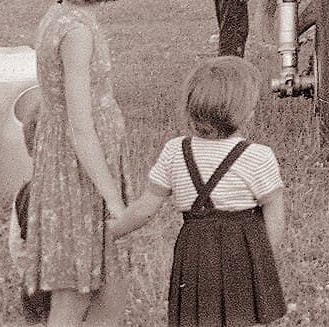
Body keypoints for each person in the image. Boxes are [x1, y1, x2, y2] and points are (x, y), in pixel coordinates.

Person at [111, 58, 287, 326]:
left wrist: (107, 231)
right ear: (245, 112)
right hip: (243, 251)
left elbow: (145, 210)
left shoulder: (175, 151)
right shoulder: (258, 156)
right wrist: (261, 262)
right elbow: (274, 218)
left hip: (195, 255)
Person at [25, 0, 132, 326]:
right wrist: (114, 198)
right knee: (73, 289)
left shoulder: (63, 15)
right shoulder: (76, 32)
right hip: (78, 173)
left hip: (79, 166)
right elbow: (79, 125)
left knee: (108, 282)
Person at [7, 89, 52, 323]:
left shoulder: (23, 192)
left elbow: (16, 245)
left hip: (35, 285)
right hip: (72, 287)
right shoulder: (79, 194)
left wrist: (27, 273)